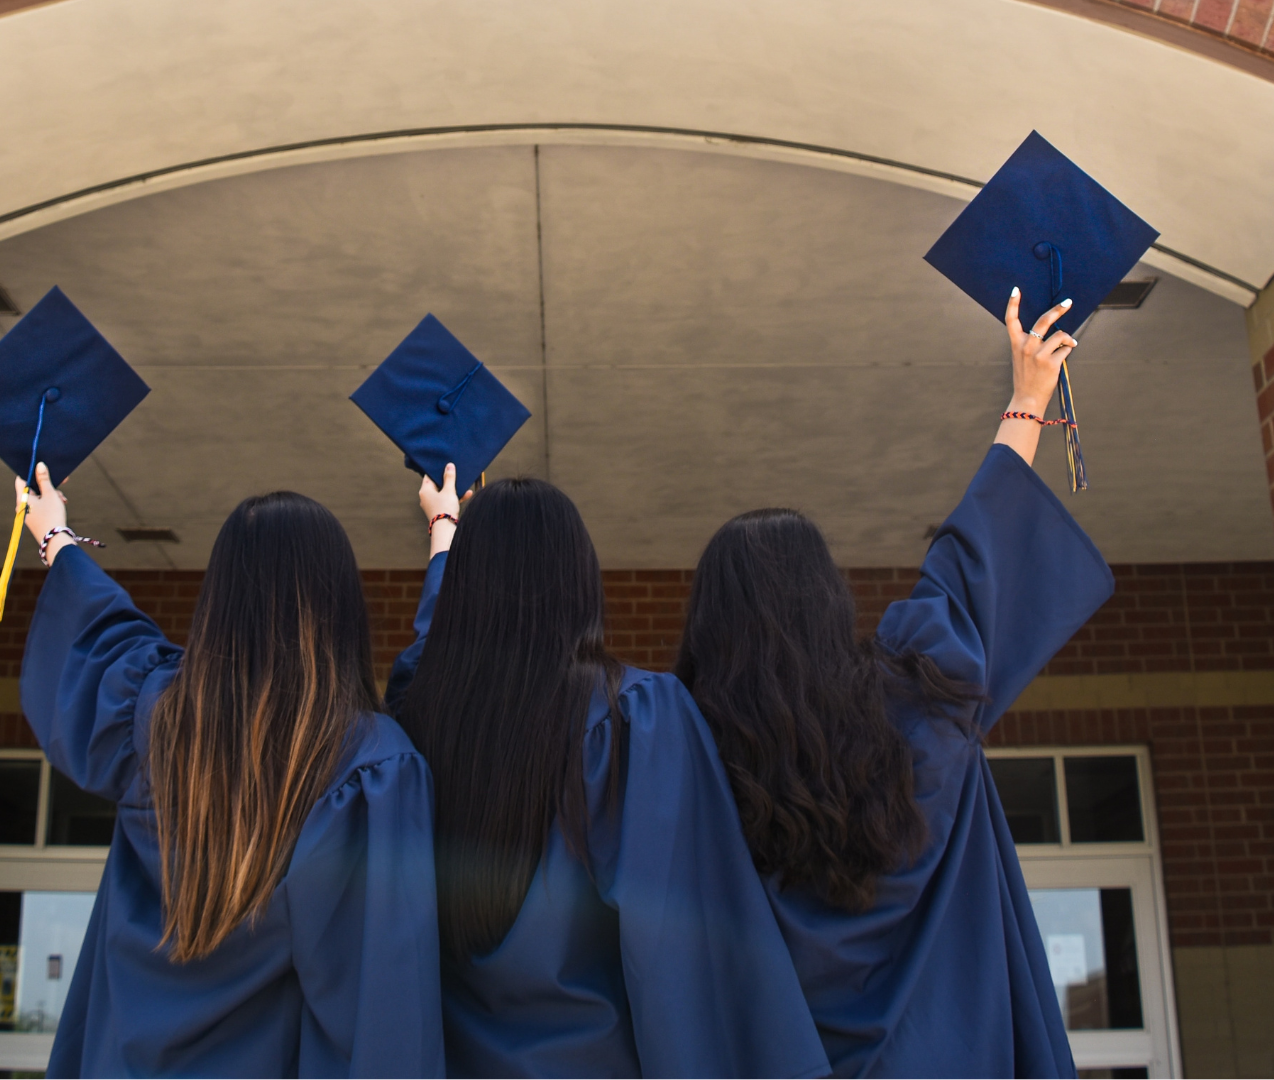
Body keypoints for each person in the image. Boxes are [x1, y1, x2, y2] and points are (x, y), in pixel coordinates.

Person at [674, 291, 1112, 1078]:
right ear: (829, 603)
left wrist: (449, 540)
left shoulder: (687, 761)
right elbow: (973, 557)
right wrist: (1028, 397)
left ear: (710, 630)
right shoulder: (919, 698)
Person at [387, 464, 829, 1079]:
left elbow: (430, 651)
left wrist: (446, 534)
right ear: (579, 581)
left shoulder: (415, 725)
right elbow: (678, 957)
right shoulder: (633, 718)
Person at [15, 466, 445, 1077]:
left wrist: (54, 535)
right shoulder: (366, 766)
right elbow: (384, 1007)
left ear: (219, 599)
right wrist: (443, 535)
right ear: (341, 604)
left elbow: (102, 633)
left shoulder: (154, 722)